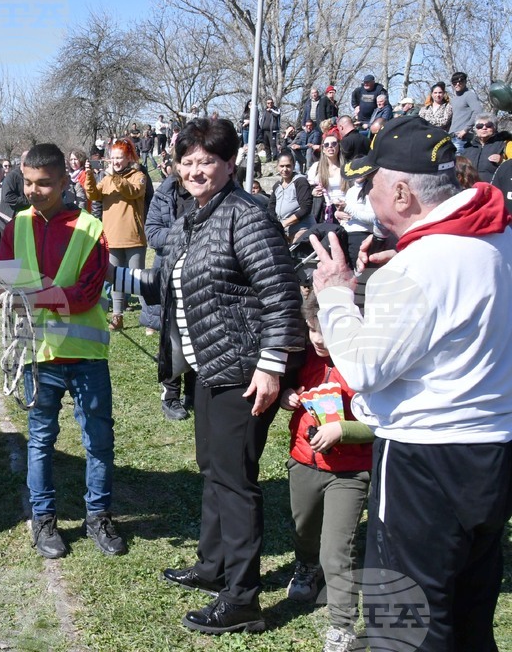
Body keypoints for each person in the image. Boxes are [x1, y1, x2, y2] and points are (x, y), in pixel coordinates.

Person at [310, 114, 512, 651]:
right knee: (469, 613)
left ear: (401, 191)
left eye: (369, 185)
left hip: (425, 460)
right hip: (492, 451)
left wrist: (334, 293)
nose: (364, 198)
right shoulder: (498, 236)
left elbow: (362, 368)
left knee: (402, 621)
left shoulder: (420, 268)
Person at [113, 117, 303, 634]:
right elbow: (161, 282)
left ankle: (242, 597)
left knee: (236, 481)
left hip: (243, 370)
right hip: (205, 367)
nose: (196, 170)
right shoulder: (192, 217)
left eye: (207, 161)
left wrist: (270, 366)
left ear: (230, 163)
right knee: (212, 467)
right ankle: (212, 564)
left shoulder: (249, 216)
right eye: (188, 161)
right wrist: (100, 272)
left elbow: (281, 296)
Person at [0, 143, 125, 560]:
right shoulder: (15, 226)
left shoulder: (90, 228)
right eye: (27, 182)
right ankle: (44, 519)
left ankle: (99, 516)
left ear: (64, 181)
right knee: (40, 441)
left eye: (43, 183)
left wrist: (34, 296)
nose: (34, 190)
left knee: (98, 441)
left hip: (85, 356)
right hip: (36, 357)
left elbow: (87, 294)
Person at [279, 290, 373, 652]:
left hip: (349, 472)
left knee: (337, 549)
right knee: (304, 528)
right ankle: (305, 566)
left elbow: (384, 424)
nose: (318, 339)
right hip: (304, 460)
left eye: (326, 332)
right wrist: (288, 393)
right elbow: (289, 386)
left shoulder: (364, 366)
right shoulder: (304, 357)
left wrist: (344, 430)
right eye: (312, 330)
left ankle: (342, 626)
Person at [141, 170, 197, 420]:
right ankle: (171, 396)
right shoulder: (165, 193)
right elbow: (152, 233)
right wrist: (185, 233)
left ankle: (195, 393)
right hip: (170, 274)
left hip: (202, 275)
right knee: (172, 338)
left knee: (199, 333)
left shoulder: (212, 191)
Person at [83, 138, 148, 331]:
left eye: (119, 158)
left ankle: (151, 318)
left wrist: (115, 177)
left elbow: (131, 192)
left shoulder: (138, 176)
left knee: (138, 280)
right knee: (117, 279)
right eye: (113, 158)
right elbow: (93, 195)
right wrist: (88, 174)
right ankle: (117, 316)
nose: (116, 162)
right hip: (112, 237)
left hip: (133, 237)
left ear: (129, 158)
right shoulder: (107, 177)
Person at [270, 150, 315, 242]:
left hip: (302, 228)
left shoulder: (300, 181)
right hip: (284, 230)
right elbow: (271, 208)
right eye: (282, 166)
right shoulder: (277, 186)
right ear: (277, 167)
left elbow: (305, 208)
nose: (285, 169)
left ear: (293, 166)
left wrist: (284, 223)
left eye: (288, 166)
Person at [307, 132, 346, 225]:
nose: (330, 147)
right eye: (326, 145)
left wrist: (345, 206)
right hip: (324, 211)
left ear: (339, 146)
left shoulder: (347, 167)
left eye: (334, 144)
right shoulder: (316, 167)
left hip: (344, 210)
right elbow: (307, 188)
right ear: (323, 149)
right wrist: (313, 192)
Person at [462, 112, 511, 183]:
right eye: (479, 126)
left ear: (494, 127)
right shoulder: (468, 147)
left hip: (494, 188)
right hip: (471, 188)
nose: (484, 128)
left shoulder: (504, 143)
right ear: (475, 130)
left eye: (488, 125)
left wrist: (502, 161)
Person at [449, 71, 483, 155]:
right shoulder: (454, 99)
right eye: (454, 82)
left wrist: (465, 130)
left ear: (465, 82)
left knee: (459, 165)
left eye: (460, 81)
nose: (457, 84)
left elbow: (478, 112)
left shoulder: (469, 95)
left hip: (462, 138)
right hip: (452, 136)